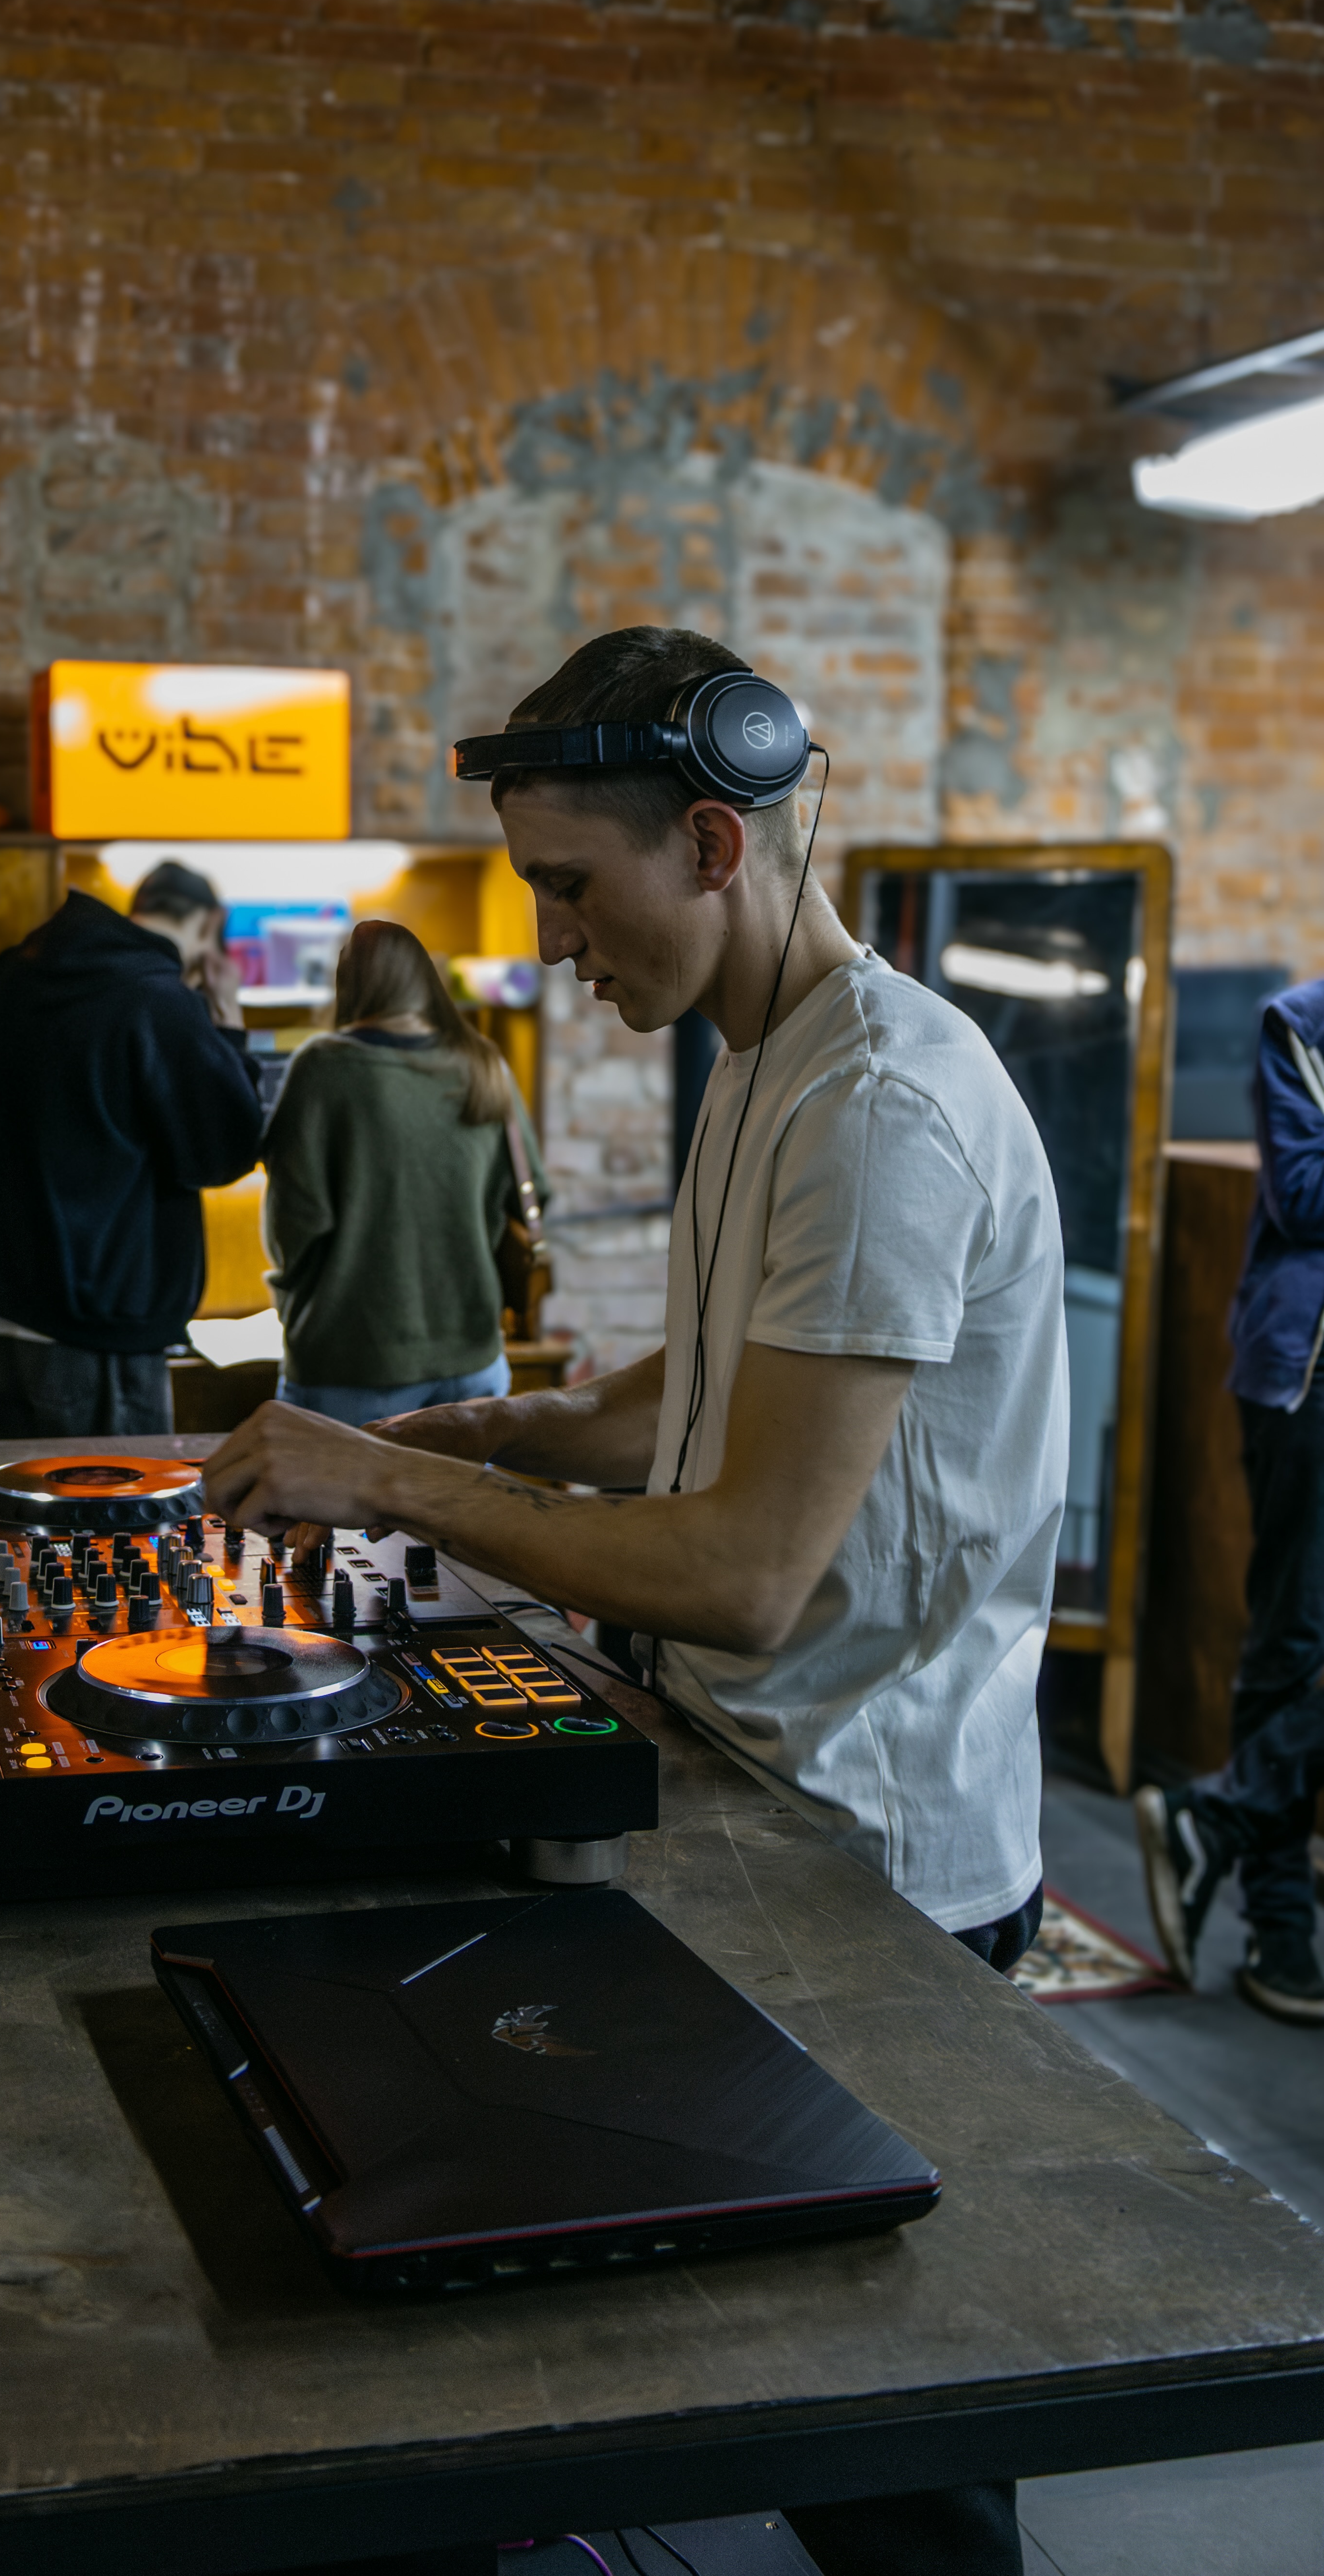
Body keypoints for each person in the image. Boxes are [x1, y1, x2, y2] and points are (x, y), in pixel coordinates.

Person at [204, 623, 1069, 2576]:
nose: (556, 943)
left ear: (707, 841)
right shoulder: (767, 1060)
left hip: (879, 1870)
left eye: (571, 894)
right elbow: (695, 1398)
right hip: (766, 1805)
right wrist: (505, 1429)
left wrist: (382, 1473)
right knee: (761, 2367)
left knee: (888, 2454)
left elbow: (749, 1571)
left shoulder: (876, 1111)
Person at [0, 859, 262, 1437]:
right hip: (104, 1323)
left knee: (24, 1518)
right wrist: (230, 1029)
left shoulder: (14, 974)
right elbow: (223, 1151)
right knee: (116, 1520)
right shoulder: (159, 1001)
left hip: (3, 1308)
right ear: (212, 922)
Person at [1136, 976, 1324, 2027]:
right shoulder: (1298, 1023)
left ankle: (1214, 1818)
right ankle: (1281, 1937)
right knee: (1290, 1645)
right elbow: (1300, 1197)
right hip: (1308, 1374)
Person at [262, 919, 547, 1427]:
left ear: (347, 986)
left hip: (351, 1363)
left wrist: (290, 1306)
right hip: (475, 1362)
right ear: (426, 981)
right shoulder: (483, 1063)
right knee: (457, 1507)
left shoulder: (323, 1067)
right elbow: (532, 1193)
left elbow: (295, 1221)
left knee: (339, 1508)